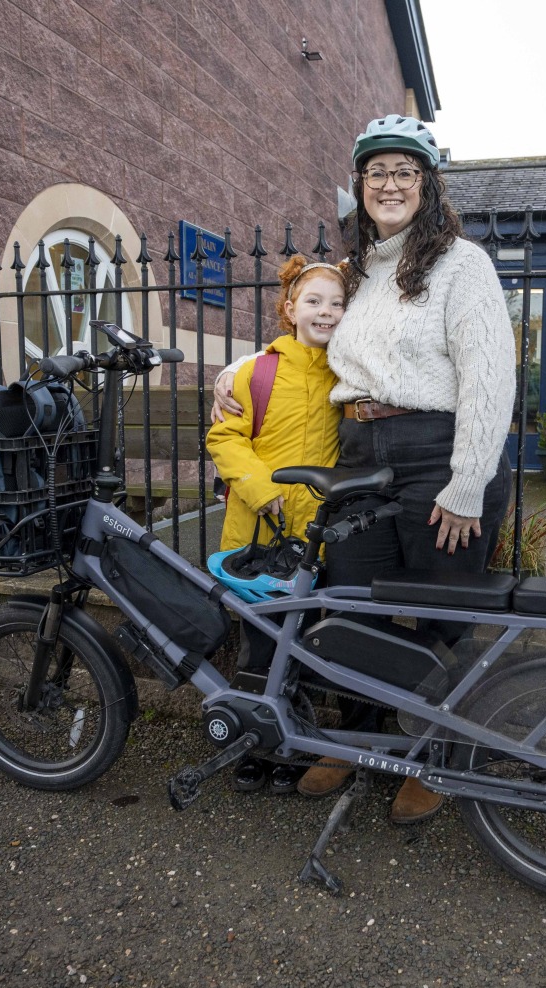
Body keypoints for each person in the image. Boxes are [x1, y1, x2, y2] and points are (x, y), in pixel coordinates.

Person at [213, 114, 515, 823]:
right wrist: (237, 367)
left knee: (444, 616)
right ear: (359, 185)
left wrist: (467, 483)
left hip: (436, 456)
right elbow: (306, 338)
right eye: (376, 172)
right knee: (349, 604)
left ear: (427, 184)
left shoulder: (460, 264)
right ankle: (353, 741)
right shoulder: (355, 274)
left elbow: (489, 376)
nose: (389, 184)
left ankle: (437, 756)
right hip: (358, 455)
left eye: (404, 172)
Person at [206, 255, 346, 794]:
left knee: (308, 646)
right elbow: (224, 437)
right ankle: (252, 746)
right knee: (259, 646)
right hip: (259, 538)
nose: (325, 311)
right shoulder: (256, 371)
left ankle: (296, 743)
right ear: (290, 309)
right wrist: (261, 490)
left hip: (315, 544)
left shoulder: (347, 372)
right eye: (313, 301)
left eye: (337, 303)